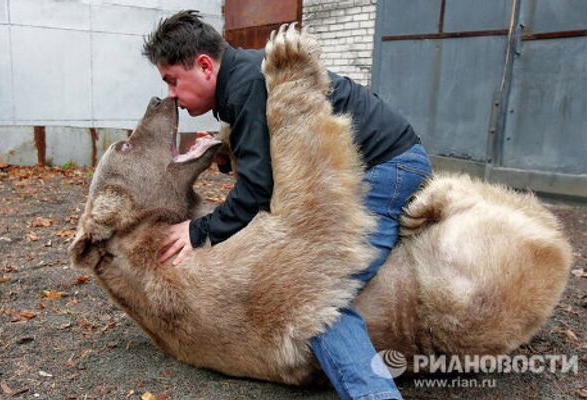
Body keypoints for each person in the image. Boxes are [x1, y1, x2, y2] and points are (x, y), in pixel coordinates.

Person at [143, 10, 432, 400]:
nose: (172, 96)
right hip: (381, 161)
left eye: (172, 80)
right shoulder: (244, 80)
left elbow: (258, 191)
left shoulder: (246, 86)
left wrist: (199, 230)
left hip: (386, 169)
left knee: (312, 301)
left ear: (206, 66)